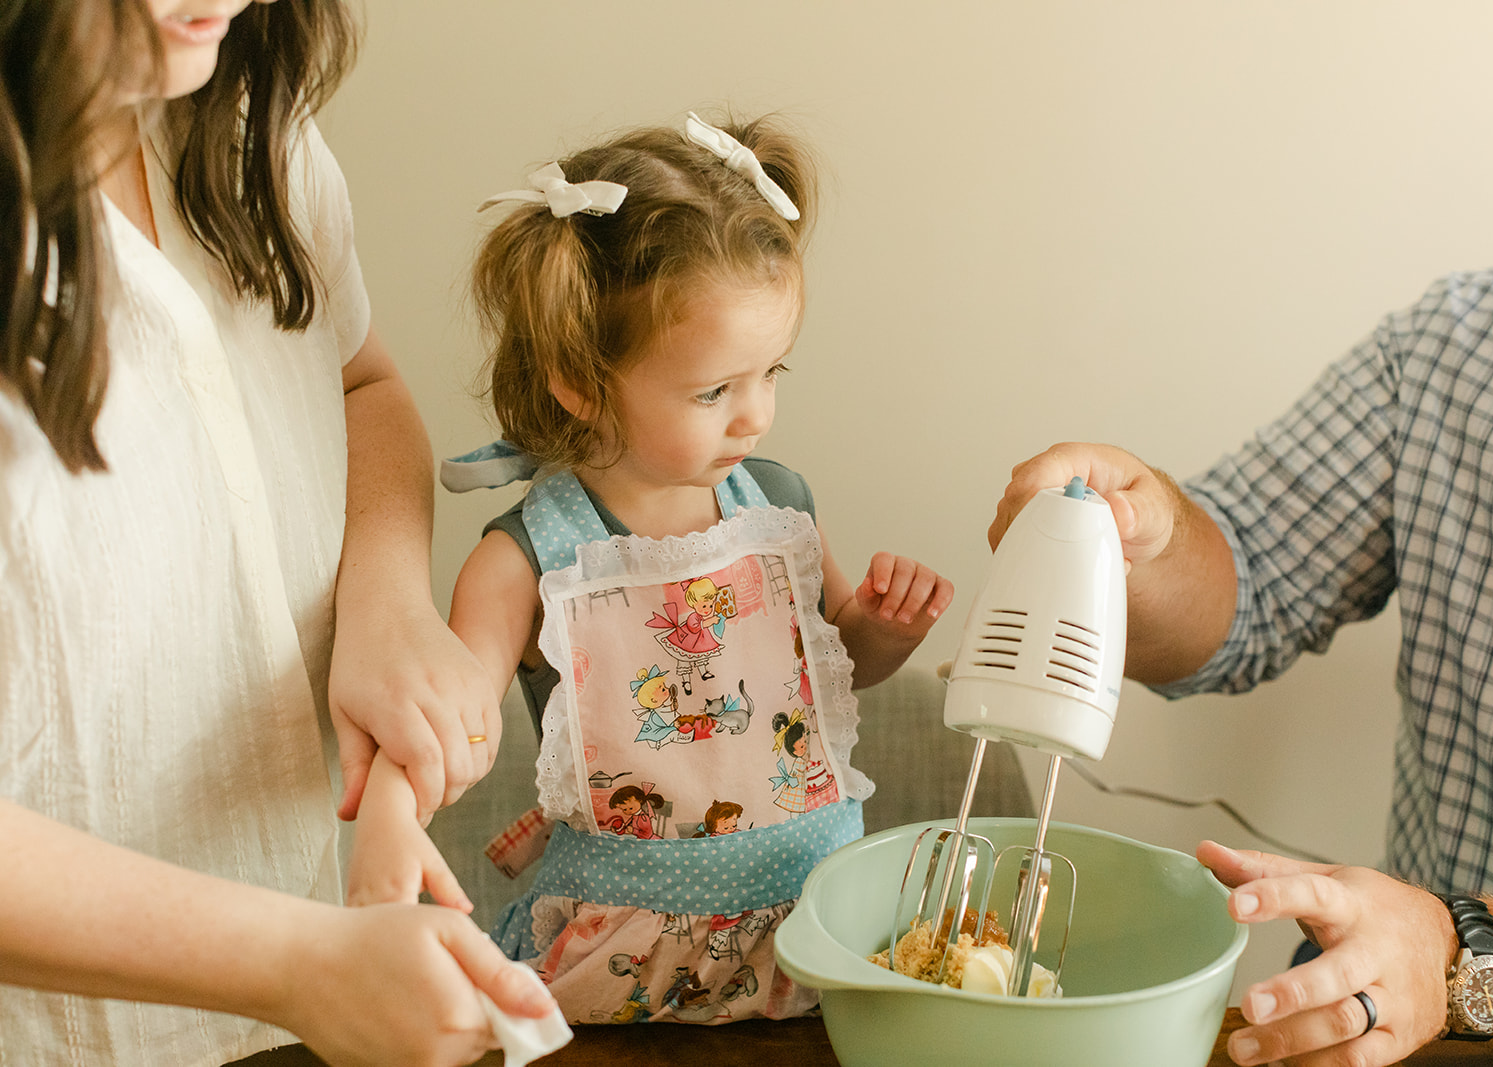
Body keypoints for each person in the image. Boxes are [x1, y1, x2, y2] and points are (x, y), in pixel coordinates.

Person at [0, 2, 553, 1064]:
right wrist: (294, 961)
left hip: (292, 981)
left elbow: (361, 383)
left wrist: (382, 602)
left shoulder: (246, 120)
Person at [345, 112, 954, 1025]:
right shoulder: (526, 560)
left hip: (816, 944)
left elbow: (836, 673)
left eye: (772, 372)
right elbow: (443, 717)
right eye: (716, 390)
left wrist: (881, 627)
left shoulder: (780, 505)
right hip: (621, 967)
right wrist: (391, 818)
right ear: (582, 381)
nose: (755, 416)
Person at [990, 254, 1493, 1067]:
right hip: (1404, 1031)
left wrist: (1455, 956)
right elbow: (1256, 573)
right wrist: (1147, 539)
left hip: (1440, 975)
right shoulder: (1462, 347)